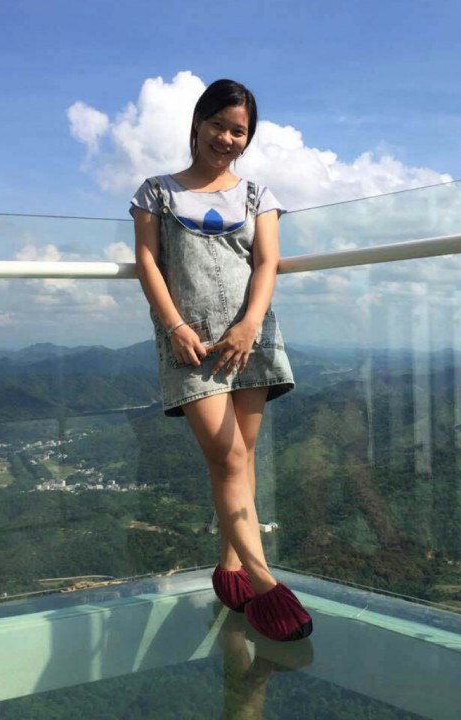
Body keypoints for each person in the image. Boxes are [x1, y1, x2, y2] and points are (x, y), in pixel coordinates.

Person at [132, 78, 312, 642]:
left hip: (249, 337)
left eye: (239, 131)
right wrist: (176, 326)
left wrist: (249, 325)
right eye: (219, 125)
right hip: (190, 343)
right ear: (197, 123)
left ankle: (230, 567)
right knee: (230, 458)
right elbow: (147, 262)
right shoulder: (156, 192)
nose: (227, 139)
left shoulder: (259, 196)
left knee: (240, 458)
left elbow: (266, 263)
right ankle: (264, 584)